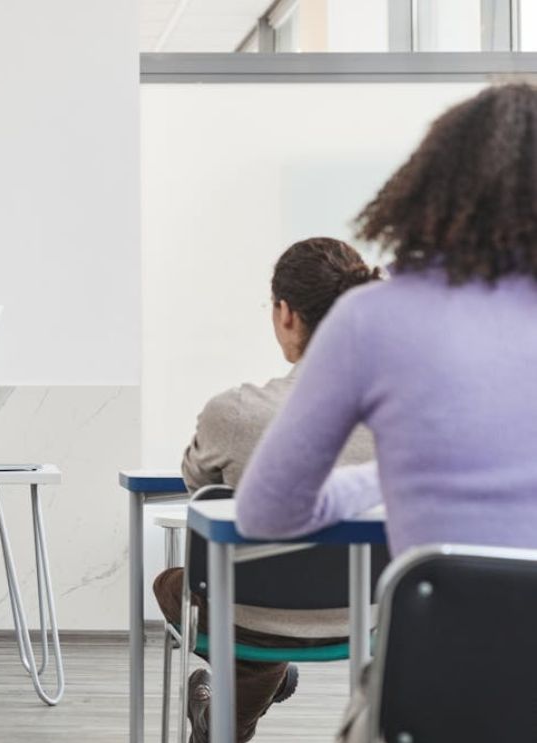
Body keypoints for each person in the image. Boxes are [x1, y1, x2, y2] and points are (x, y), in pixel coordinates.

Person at [227, 84, 537, 742]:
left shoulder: (372, 318)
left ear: (430, 186)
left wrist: (379, 480)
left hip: (433, 699)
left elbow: (265, 511)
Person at [154, 237, 381, 742]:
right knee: (254, 602)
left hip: (250, 613)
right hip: (367, 617)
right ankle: (238, 702)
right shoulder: (402, 416)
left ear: (284, 313)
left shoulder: (234, 413)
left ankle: (233, 707)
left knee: (178, 585)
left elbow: (198, 488)